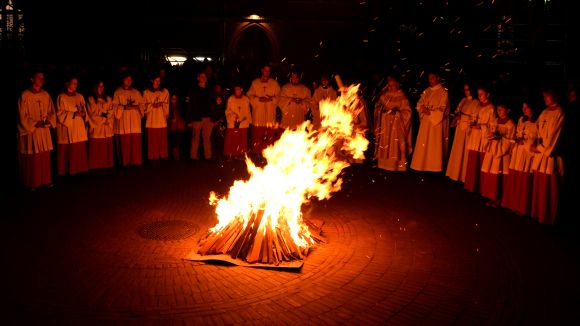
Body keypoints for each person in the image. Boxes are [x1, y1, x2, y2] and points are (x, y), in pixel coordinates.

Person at [530, 89, 565, 224]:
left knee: (549, 187)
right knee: (540, 185)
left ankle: (548, 217)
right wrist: (534, 142)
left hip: (550, 156)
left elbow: (554, 136)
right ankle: (538, 214)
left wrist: (540, 148)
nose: (544, 98)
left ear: (554, 95)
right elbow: (536, 129)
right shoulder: (544, 112)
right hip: (541, 154)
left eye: (547, 96)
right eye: (543, 96)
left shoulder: (559, 113)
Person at [17, 70, 56, 189]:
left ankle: (45, 180)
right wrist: (34, 123)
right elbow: (21, 115)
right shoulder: (25, 95)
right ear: (32, 79)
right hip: (32, 131)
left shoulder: (45, 95)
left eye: (42, 78)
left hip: (43, 130)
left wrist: (49, 121)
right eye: (38, 77)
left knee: (44, 155)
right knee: (33, 156)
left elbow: (51, 112)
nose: (41, 80)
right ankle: (33, 182)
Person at [501, 100, 539, 215]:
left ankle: (522, 207)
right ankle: (513, 203)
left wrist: (526, 143)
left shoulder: (537, 122)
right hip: (518, 152)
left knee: (524, 178)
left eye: (526, 107)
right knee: (516, 177)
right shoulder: (521, 120)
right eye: (523, 107)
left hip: (527, 154)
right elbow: (517, 134)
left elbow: (536, 138)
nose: (524, 110)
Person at [410, 72, 450, 172]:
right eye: (429, 78)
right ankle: (422, 165)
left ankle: (435, 167)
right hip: (426, 122)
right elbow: (419, 103)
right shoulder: (427, 91)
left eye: (432, 78)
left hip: (436, 124)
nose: (430, 80)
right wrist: (422, 108)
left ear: (438, 77)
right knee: (425, 143)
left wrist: (431, 112)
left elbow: (443, 109)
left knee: (435, 145)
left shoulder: (443, 92)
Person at [373, 75, 413, 171]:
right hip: (385, 125)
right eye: (389, 86)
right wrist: (381, 111)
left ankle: (396, 165)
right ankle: (383, 164)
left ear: (398, 85)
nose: (390, 88)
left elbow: (408, 113)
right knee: (384, 143)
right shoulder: (384, 96)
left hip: (396, 127)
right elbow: (377, 108)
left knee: (394, 145)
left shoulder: (402, 97)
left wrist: (398, 113)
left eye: (393, 85)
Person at [480, 104, 515, 207]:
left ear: (508, 109)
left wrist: (499, 138)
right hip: (492, 151)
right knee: (491, 174)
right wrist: (489, 137)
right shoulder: (494, 121)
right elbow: (487, 134)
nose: (499, 110)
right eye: (498, 108)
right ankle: (491, 196)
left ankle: (500, 198)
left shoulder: (510, 124)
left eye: (502, 108)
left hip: (501, 154)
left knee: (499, 176)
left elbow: (510, 141)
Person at [464, 86, 496, 193]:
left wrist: (481, 127)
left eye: (482, 94)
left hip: (482, 139)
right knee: (473, 161)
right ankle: (471, 186)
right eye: (478, 94)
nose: (480, 96)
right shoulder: (477, 106)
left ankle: (481, 188)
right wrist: (471, 123)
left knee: (481, 162)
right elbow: (472, 118)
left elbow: (492, 125)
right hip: (474, 137)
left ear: (488, 94)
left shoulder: (491, 108)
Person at [445, 83, 479, 182]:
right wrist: (456, 116)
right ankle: (455, 173)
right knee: (457, 150)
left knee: (465, 152)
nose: (466, 91)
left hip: (467, 130)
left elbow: (474, 117)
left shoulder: (476, 102)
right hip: (460, 128)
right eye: (464, 89)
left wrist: (464, 117)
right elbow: (457, 110)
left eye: (468, 89)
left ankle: (464, 176)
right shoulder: (464, 100)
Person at [56, 76, 89, 176]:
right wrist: (73, 114)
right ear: (67, 84)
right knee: (68, 150)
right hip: (68, 127)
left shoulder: (80, 96)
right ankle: (67, 171)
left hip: (78, 127)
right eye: (73, 83)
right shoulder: (61, 97)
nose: (75, 85)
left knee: (79, 148)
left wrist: (84, 114)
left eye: (76, 83)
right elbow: (59, 113)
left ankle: (80, 169)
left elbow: (84, 110)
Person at [247, 64, 280, 154]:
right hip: (258, 113)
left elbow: (279, 96)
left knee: (269, 134)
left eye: (268, 70)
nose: (267, 72)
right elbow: (249, 95)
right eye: (265, 70)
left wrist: (271, 99)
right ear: (262, 70)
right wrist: (258, 99)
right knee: (258, 133)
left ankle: (269, 152)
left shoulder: (274, 83)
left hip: (270, 113)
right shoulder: (255, 83)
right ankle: (257, 151)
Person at [112, 72, 144, 166]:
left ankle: (135, 161)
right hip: (123, 122)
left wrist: (136, 107)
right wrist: (125, 108)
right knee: (124, 143)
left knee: (134, 143)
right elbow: (114, 107)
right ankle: (124, 162)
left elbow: (142, 105)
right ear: (123, 80)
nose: (129, 81)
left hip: (134, 122)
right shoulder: (118, 92)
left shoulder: (136, 92)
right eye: (127, 79)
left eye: (130, 79)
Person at [87, 80, 114, 170]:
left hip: (106, 127)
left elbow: (111, 111)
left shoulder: (108, 99)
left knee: (105, 147)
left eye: (102, 86)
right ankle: (96, 166)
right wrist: (103, 119)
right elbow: (91, 115)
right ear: (95, 87)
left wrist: (107, 119)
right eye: (99, 86)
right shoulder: (91, 99)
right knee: (97, 148)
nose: (101, 88)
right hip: (97, 128)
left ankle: (106, 165)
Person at [186, 71, 214, 160]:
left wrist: (214, 118)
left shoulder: (209, 89)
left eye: (205, 76)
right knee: (195, 138)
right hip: (197, 117)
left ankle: (208, 156)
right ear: (198, 78)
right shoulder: (193, 89)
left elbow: (213, 104)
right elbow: (189, 105)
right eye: (202, 76)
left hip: (208, 117)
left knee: (207, 138)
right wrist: (189, 120)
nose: (203, 78)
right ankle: (193, 156)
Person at [143, 73, 170, 161]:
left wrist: (162, 105)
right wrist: (152, 106)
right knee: (152, 140)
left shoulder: (165, 91)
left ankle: (163, 156)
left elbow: (167, 104)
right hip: (152, 119)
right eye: (156, 80)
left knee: (162, 139)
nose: (158, 82)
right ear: (152, 81)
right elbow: (144, 106)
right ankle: (153, 157)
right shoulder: (146, 92)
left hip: (161, 118)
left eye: (159, 81)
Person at [224, 82, 252, 158]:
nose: (237, 90)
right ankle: (230, 154)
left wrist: (249, 121)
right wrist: (233, 116)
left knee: (242, 140)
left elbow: (248, 110)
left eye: (239, 89)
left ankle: (241, 154)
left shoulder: (246, 99)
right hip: (233, 123)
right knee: (232, 139)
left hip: (243, 123)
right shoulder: (231, 98)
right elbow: (227, 110)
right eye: (236, 89)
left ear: (241, 90)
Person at [168, 92, 186, 160]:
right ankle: (175, 156)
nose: (174, 100)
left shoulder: (179, 106)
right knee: (173, 141)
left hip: (180, 127)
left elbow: (183, 115)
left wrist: (183, 123)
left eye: (175, 99)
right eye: (172, 98)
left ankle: (177, 156)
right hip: (172, 127)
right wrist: (171, 119)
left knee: (178, 141)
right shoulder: (169, 107)